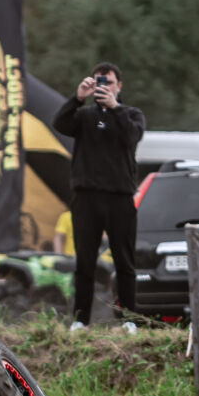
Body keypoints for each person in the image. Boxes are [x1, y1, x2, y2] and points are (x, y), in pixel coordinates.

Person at [53, 62, 146, 333]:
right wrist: (77, 98)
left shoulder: (131, 114)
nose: (104, 87)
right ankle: (80, 320)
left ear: (119, 86)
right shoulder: (83, 116)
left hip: (120, 197)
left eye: (109, 82)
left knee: (124, 261)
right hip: (87, 197)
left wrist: (115, 108)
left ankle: (128, 319)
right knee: (84, 261)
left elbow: (132, 137)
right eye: (98, 82)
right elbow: (59, 123)